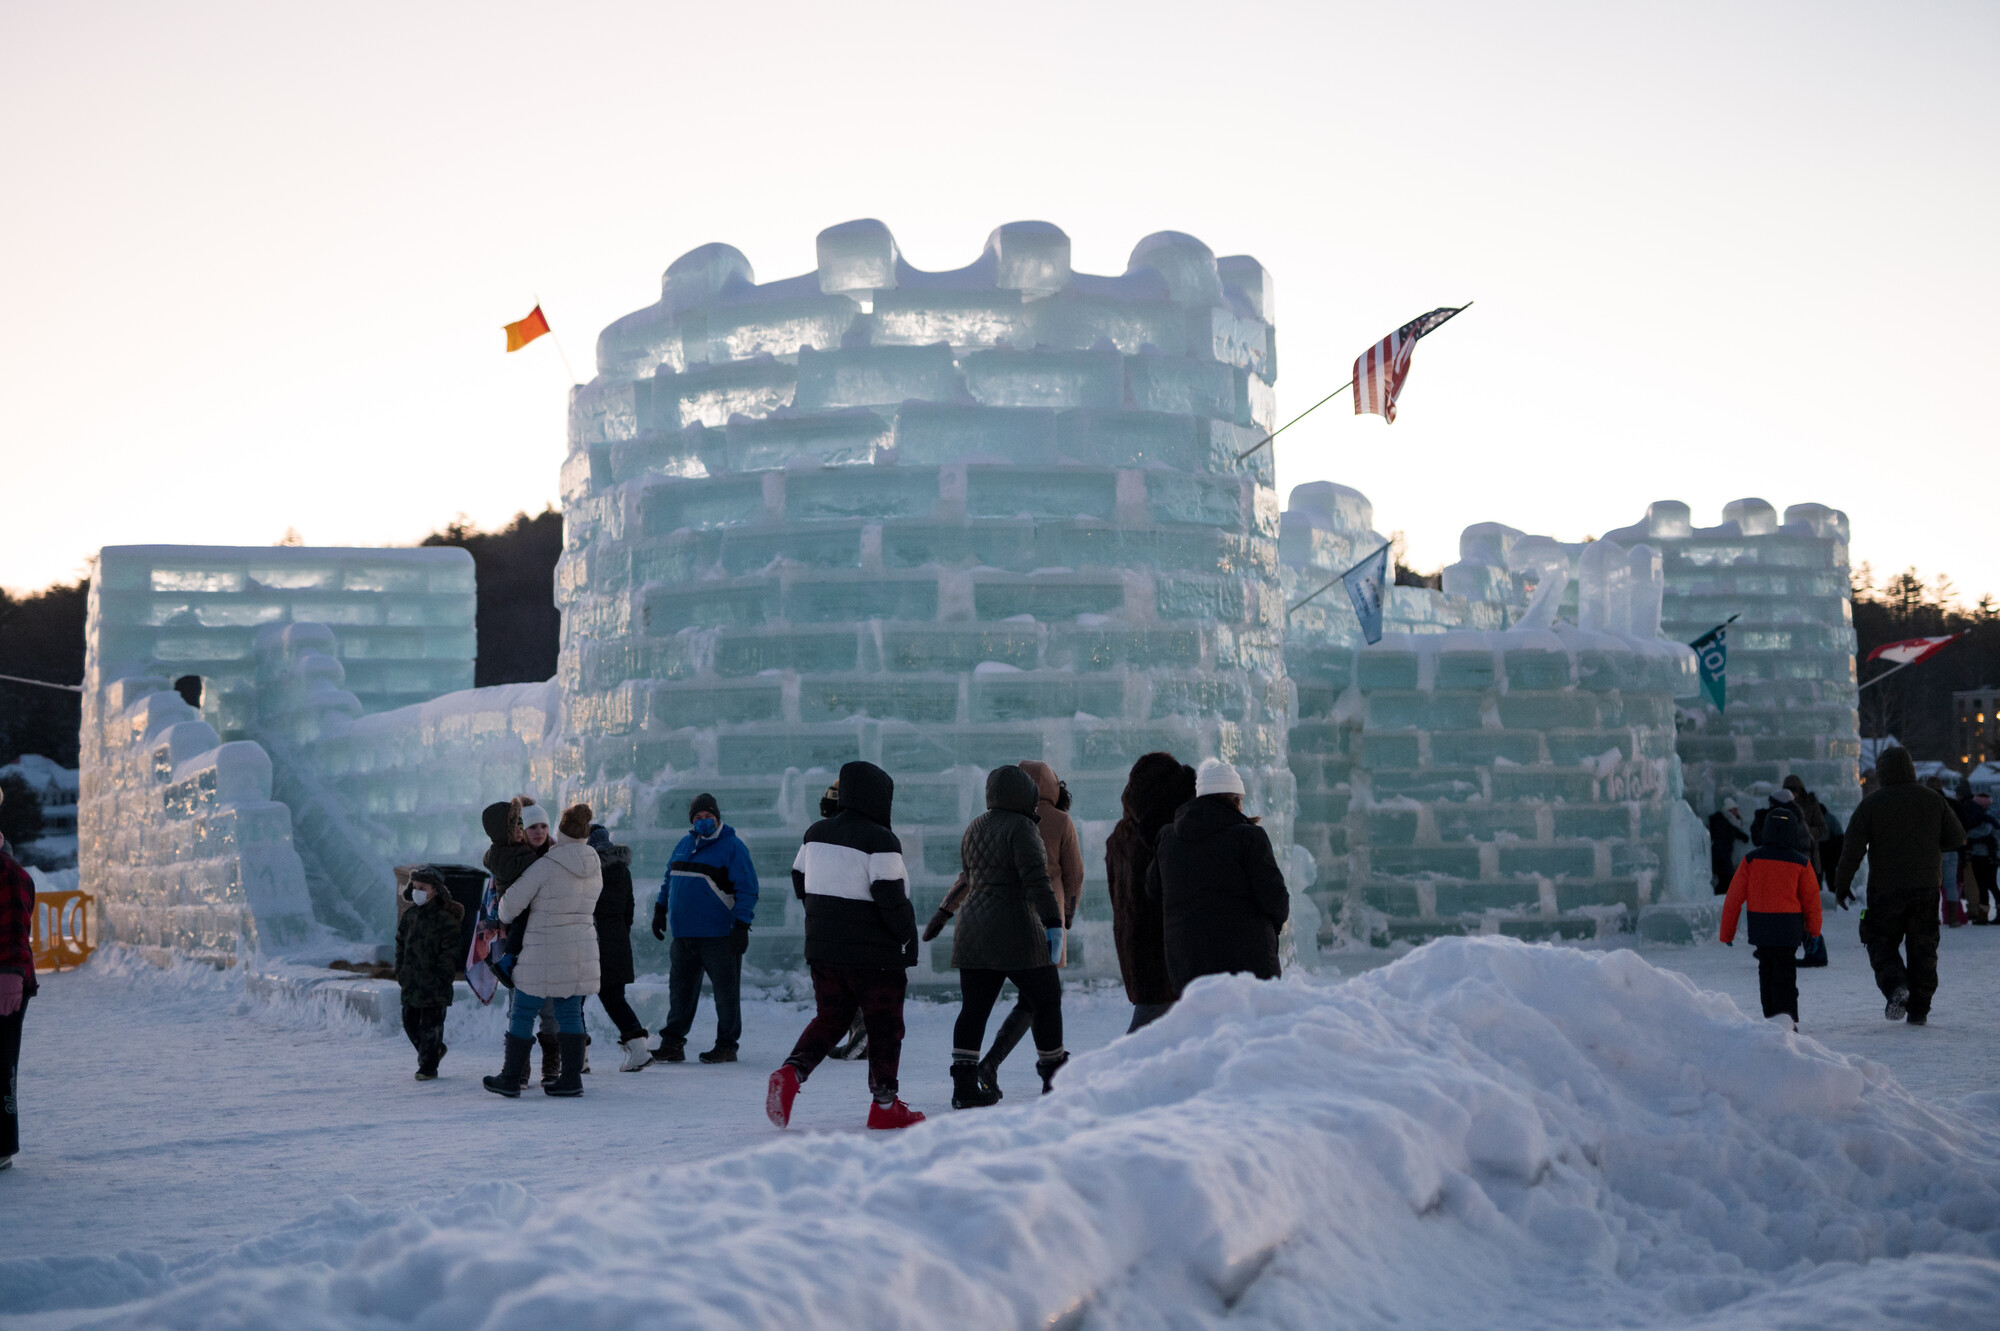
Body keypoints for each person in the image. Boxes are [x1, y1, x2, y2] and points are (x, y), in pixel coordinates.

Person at [766, 761, 923, 1130]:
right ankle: (884, 1106)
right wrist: (904, 936)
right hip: (876, 957)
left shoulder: (815, 833)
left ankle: (791, 1073)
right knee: (884, 1026)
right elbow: (890, 896)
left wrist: (826, 921)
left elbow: (799, 877)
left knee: (831, 1018)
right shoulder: (881, 839)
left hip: (825, 952)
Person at [942, 766, 1068, 1109]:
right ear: (1025, 795)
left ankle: (965, 1086)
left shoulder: (975, 826)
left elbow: (967, 878)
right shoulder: (1022, 827)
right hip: (1014, 927)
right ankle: (1055, 1078)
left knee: (974, 1008)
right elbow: (1037, 881)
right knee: (1046, 998)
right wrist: (1054, 922)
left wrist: (944, 912)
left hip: (972, 929)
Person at [1835, 747, 1965, 1026]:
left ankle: (1896, 986)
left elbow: (1852, 849)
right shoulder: (1933, 800)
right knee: (1924, 947)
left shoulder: (1871, 804)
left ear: (1882, 773)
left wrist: (1842, 884)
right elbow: (1957, 838)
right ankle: (1920, 1009)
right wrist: (1929, 846)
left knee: (1880, 942)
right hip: (1926, 887)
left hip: (1885, 888)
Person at [484, 803, 603, 1098]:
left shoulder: (546, 865)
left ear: (559, 832)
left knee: (523, 1011)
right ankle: (571, 1079)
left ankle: (511, 1078)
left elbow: (509, 909)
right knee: (569, 1011)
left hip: (542, 950)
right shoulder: (594, 862)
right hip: (580, 949)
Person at [1147, 759, 1289, 998]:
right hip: (1247, 963)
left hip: (1187, 963)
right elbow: (1274, 898)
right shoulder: (1249, 837)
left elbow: (1153, 890)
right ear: (1237, 800)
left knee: (1204, 1031)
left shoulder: (1168, 837)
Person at [649, 794, 758, 1064]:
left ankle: (726, 1045)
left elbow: (747, 888)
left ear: (717, 818)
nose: (703, 821)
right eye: (698, 818)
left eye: (708, 817)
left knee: (726, 994)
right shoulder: (684, 844)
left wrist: (742, 925)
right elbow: (669, 878)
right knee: (680, 993)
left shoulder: (732, 847)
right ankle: (672, 1044)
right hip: (684, 935)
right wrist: (660, 908)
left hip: (719, 936)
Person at [1106, 753, 1196, 1031]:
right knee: (1145, 1033)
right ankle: (1107, 1075)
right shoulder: (1163, 836)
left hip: (1136, 950)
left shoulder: (1120, 836)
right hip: (1162, 951)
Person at [1719, 803, 1822, 1028]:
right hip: (1788, 930)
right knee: (1786, 976)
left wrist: (1727, 932)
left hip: (1762, 929)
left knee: (1765, 973)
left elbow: (1733, 899)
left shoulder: (1751, 860)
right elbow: (1812, 902)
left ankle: (1771, 1019)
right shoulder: (1801, 863)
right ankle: (1789, 1021)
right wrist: (1813, 932)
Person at [587, 824, 652, 1069]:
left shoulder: (589, 871)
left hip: (590, 942)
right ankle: (639, 1050)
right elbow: (629, 910)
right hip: (617, 943)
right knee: (614, 998)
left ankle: (577, 1058)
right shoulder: (623, 871)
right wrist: (619, 934)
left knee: (572, 1001)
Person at [394, 866, 463, 1080]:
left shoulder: (446, 919)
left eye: (422, 887)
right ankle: (434, 1051)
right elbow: (400, 943)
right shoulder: (410, 916)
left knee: (431, 1027)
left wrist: (441, 976)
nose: (417, 892)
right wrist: (401, 970)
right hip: (411, 981)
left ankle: (428, 1067)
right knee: (409, 1022)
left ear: (435, 889)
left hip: (435, 984)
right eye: (414, 887)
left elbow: (450, 953)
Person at [0, 828, 36, 1170]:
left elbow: (14, 930)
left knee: (1, 1065)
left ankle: (2, 1147)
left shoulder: (9, 873)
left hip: (5, 983)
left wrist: (10, 974)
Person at [1961, 792, 2000, 925]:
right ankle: (1984, 914)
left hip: (1985, 854)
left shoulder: (1986, 816)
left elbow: (1984, 831)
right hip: (1989, 854)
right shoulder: (1989, 814)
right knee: (1986, 884)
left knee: (1986, 884)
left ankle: (1984, 915)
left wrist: (1968, 835)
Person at [1708, 798, 1749, 895]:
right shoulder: (1722, 823)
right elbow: (1728, 833)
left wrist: (1743, 836)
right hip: (1721, 857)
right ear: (1728, 811)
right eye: (1733, 809)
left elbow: (1733, 830)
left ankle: (1717, 898)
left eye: (1736, 809)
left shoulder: (1726, 821)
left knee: (1726, 881)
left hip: (1723, 856)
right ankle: (1716, 899)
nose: (1736, 812)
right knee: (1726, 881)